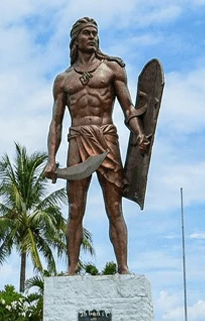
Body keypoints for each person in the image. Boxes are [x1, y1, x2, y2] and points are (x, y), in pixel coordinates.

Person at [44, 17, 151, 275]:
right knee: (74, 209)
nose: (92, 37)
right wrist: (51, 158)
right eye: (86, 33)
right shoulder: (63, 80)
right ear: (76, 40)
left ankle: (123, 267)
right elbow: (56, 123)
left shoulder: (112, 70)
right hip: (77, 139)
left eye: (95, 33)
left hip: (106, 138)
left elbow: (128, 109)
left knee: (114, 208)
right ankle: (72, 267)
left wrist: (138, 134)